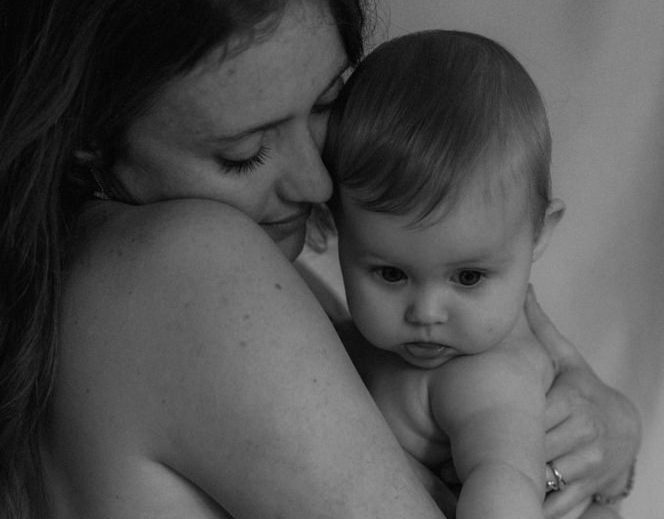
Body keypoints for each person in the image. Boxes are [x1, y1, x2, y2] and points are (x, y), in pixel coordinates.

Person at [0, 0, 640, 517]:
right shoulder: (193, 265)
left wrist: (603, 445)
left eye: (329, 103)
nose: (320, 185)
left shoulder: (301, 294)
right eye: (245, 152)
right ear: (87, 139)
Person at [323, 30, 638, 519]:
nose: (426, 313)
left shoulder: (485, 378)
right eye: (390, 273)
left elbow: (505, 486)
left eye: (467, 278)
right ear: (333, 225)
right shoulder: (341, 339)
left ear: (538, 234)